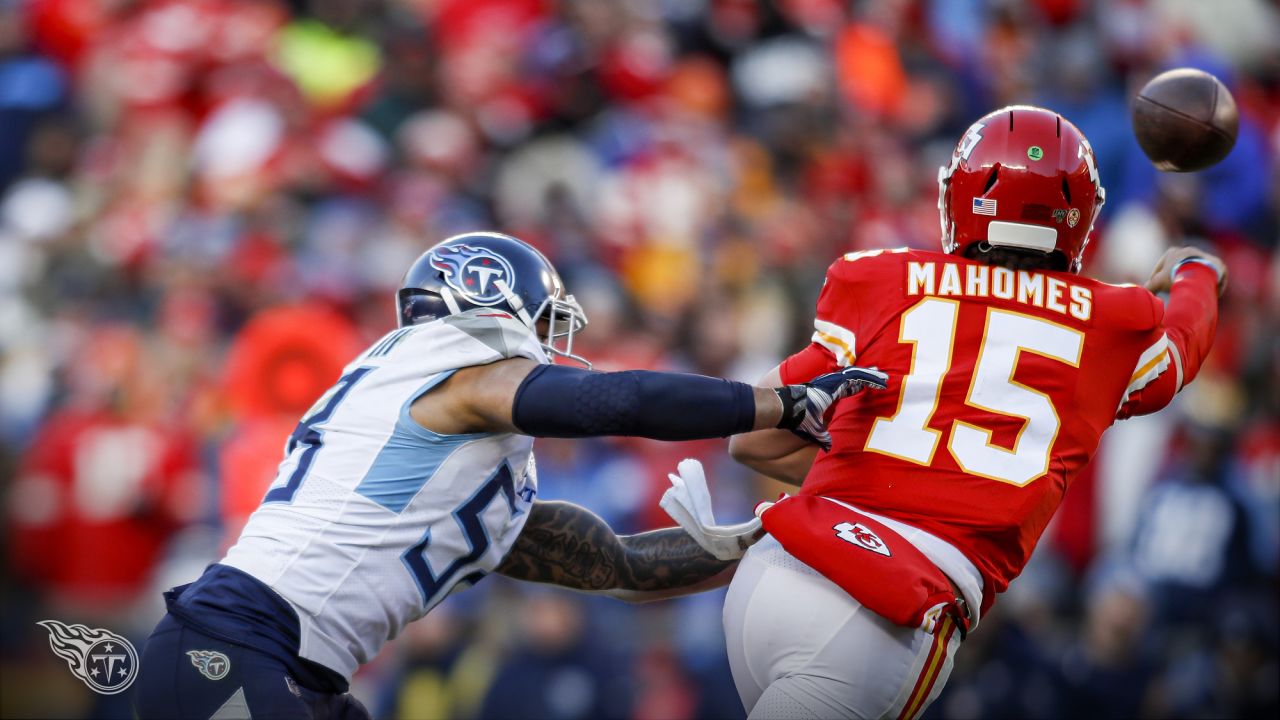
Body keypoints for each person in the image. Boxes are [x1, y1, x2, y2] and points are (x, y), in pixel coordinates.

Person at [131, 231, 887, 719]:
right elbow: (609, 400)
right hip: (234, 647)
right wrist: (779, 402)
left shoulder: (463, 468)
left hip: (293, 674)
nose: (553, 349)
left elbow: (619, 567)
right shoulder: (449, 367)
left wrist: (775, 532)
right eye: (546, 325)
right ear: (493, 303)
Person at [711, 105, 1225, 719]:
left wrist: (881, 466)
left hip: (772, 575)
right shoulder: (1113, 321)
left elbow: (751, 438)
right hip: (885, 611)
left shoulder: (884, 278)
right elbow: (1179, 356)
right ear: (1080, 218)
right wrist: (1197, 273)